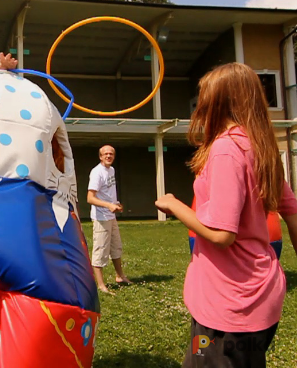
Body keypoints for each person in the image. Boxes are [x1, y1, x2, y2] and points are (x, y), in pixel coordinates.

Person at [155, 63, 297, 368]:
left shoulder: (225, 149)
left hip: (227, 310)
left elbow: (222, 234)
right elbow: (293, 212)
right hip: (261, 303)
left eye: (205, 94)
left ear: (219, 100)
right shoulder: (261, 147)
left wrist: (174, 205)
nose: (201, 102)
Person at [87, 145, 130, 294]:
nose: (108, 156)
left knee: (116, 247)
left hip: (111, 216)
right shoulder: (97, 173)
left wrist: (116, 204)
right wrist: (108, 205)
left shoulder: (111, 170)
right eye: (105, 154)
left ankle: (120, 276)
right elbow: (90, 198)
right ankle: (100, 284)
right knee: (100, 251)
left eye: (111, 154)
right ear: (100, 157)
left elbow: (108, 193)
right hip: (101, 218)